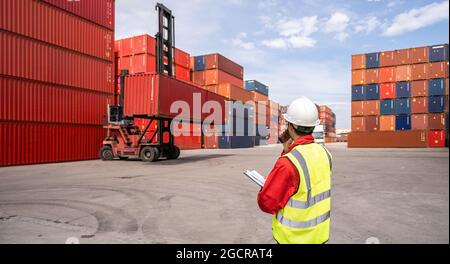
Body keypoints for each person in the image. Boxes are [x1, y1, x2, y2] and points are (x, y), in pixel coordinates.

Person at [257, 96, 332, 244]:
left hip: (293, 239)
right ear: (313, 126)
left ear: (290, 127)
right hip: (320, 236)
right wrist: (287, 151)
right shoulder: (325, 154)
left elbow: (267, 203)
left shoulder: (287, 163)